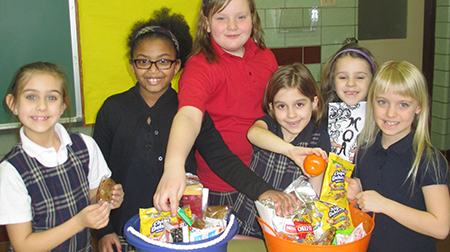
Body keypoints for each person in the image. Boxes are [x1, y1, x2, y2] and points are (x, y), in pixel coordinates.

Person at [93, 8, 295, 252]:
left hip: (180, 227)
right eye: (143, 61)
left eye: (164, 61)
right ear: (132, 64)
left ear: (177, 65)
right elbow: (98, 178)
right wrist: (104, 231)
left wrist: (264, 191)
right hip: (127, 229)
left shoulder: (191, 111)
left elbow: (222, 158)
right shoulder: (112, 109)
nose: (154, 70)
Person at [155, 0, 280, 215]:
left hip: (268, 174)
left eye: (241, 17)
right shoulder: (200, 67)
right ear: (207, 23)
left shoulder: (265, 56)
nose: (232, 26)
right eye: (221, 18)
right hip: (223, 186)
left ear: (253, 18)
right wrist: (174, 167)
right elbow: (189, 117)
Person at [0, 62, 123, 252]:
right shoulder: (11, 170)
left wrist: (106, 201)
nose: (41, 106)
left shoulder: (85, 146)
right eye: (31, 97)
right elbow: (23, 245)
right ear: (13, 104)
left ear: (63, 105)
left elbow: (94, 197)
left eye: (51, 97)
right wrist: (80, 222)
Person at [346, 61, 450, 252]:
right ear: (372, 102)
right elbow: (367, 198)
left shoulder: (428, 160)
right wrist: (355, 195)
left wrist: (384, 204)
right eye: (383, 102)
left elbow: (441, 228)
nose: (390, 113)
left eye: (403, 104)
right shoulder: (365, 149)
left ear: (418, 107)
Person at [233, 63, 331, 238]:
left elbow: (314, 195)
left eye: (299, 104)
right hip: (248, 218)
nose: (291, 114)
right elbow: (253, 133)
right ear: (271, 107)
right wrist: (291, 151)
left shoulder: (318, 139)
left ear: (314, 103)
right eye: (282, 106)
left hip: (286, 230)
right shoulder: (268, 126)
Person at [320, 43, 377, 162]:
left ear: (373, 82)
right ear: (333, 83)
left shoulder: (381, 121)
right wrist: (322, 146)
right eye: (343, 77)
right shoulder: (321, 120)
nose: (351, 83)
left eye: (360, 77)